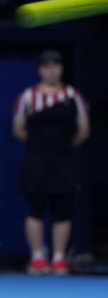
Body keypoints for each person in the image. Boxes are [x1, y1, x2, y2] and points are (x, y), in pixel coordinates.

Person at [12, 49, 90, 276]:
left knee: (62, 209)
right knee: (35, 208)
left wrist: (62, 147)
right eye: (46, 66)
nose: (51, 70)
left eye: (55, 65)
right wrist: (41, 146)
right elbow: (18, 129)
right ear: (39, 70)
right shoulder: (27, 96)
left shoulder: (73, 96)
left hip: (63, 160)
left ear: (61, 69)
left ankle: (58, 258)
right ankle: (37, 258)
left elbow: (83, 131)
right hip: (36, 160)